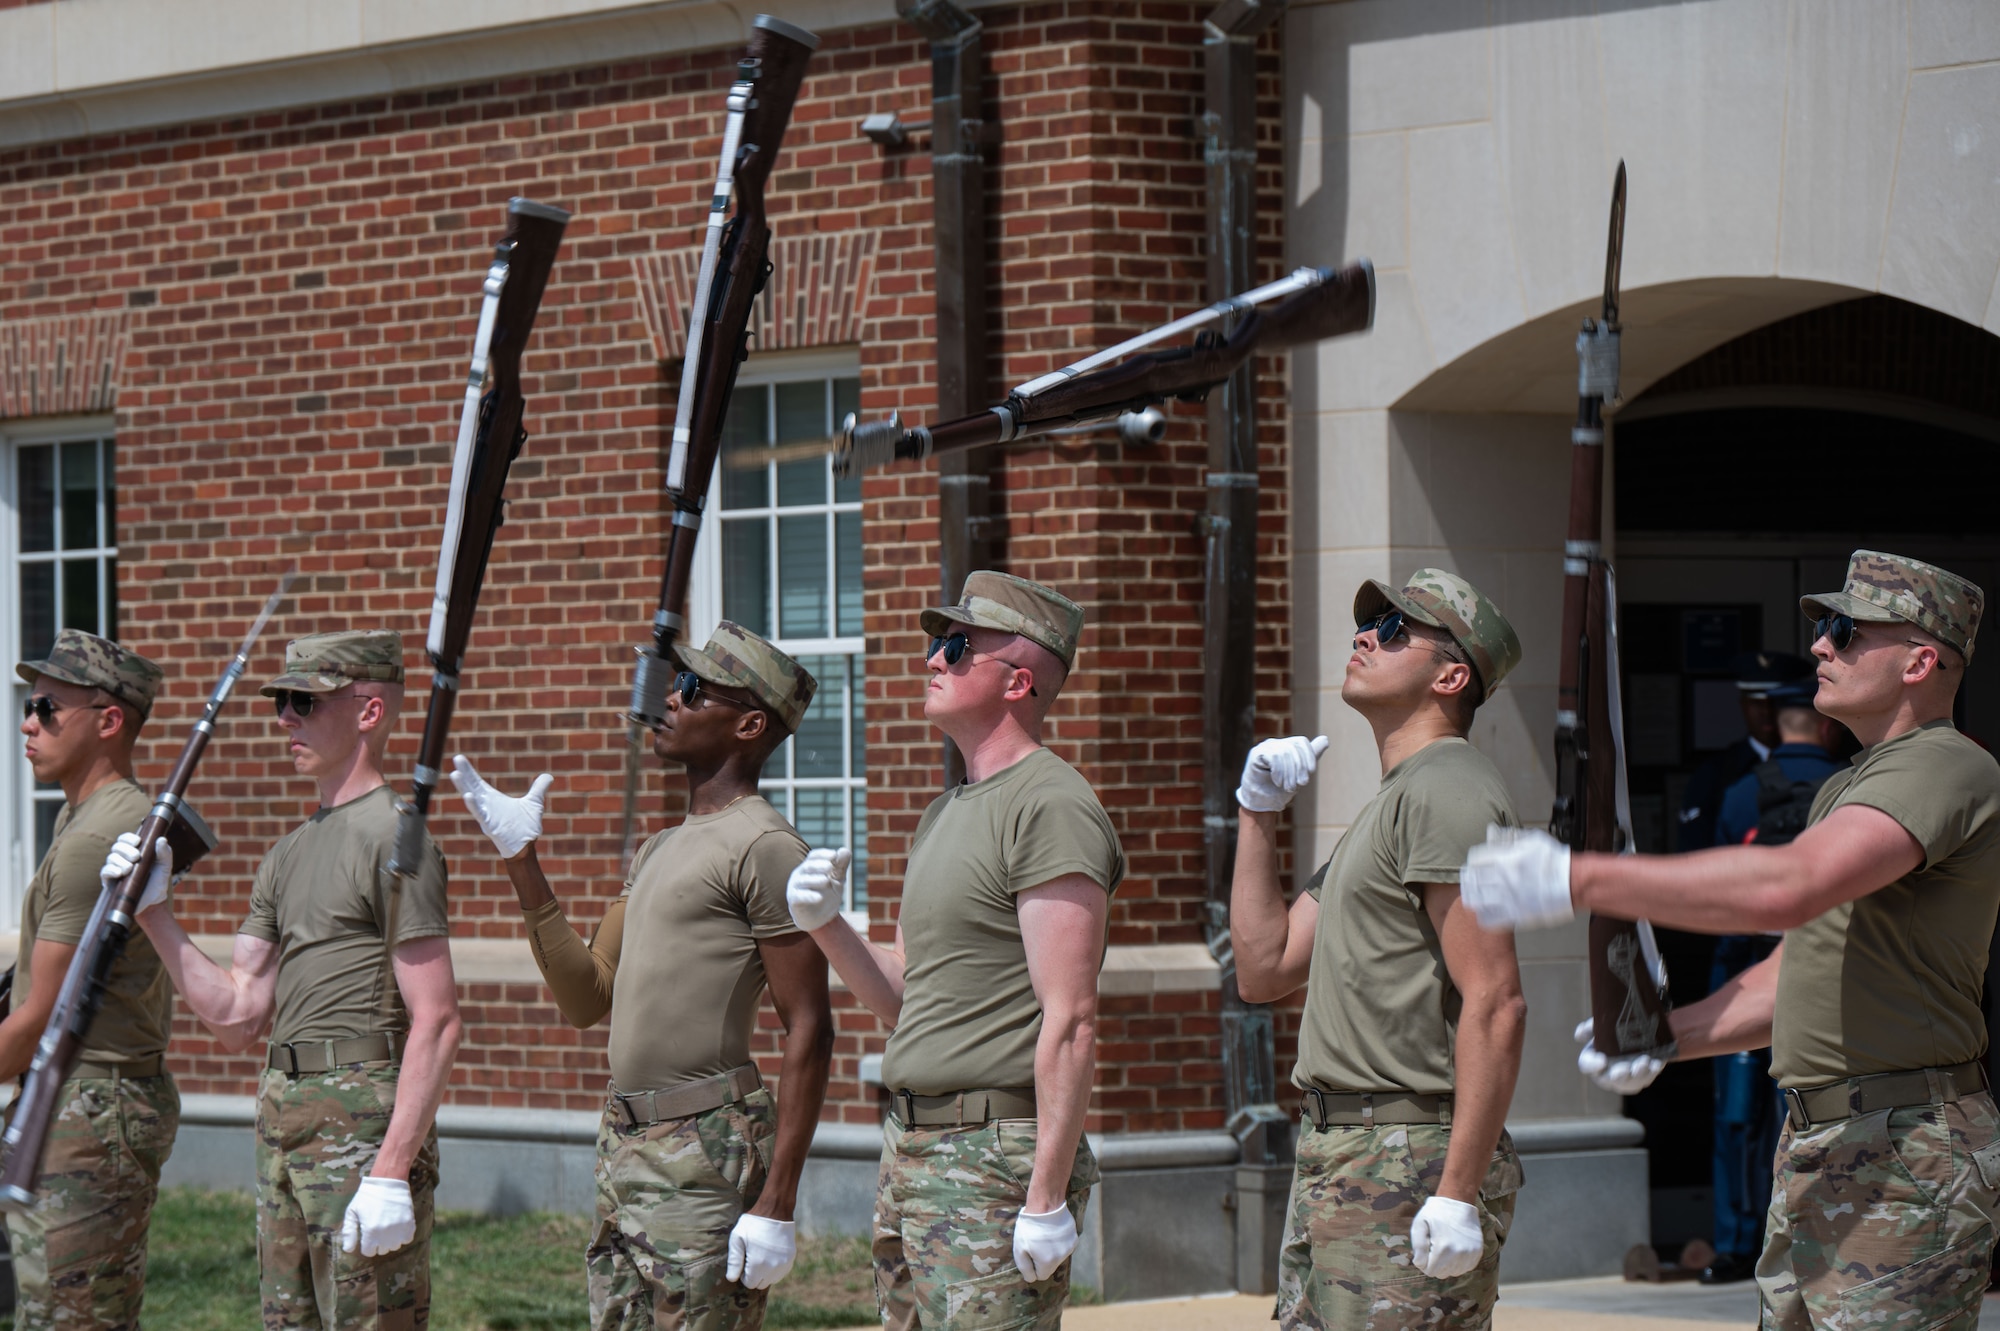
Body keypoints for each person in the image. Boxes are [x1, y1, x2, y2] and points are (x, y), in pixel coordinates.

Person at [1463, 551, 1998, 1330]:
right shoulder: (1852, 783)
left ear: (1922, 660)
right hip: (1835, 1140)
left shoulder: (1942, 764)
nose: (1819, 646)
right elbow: (1795, 971)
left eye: (1846, 631)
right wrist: (1659, 1038)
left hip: (1904, 1149)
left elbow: (1789, 884)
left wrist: (1579, 878)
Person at [448, 622, 833, 1330]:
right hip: (624, 1143)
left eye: (690, 689)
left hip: (705, 1151)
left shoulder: (767, 845)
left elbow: (809, 1024)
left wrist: (778, 1199)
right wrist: (520, 858)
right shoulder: (659, 847)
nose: (670, 701)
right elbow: (586, 995)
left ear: (749, 723)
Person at [782, 571, 1124, 1331]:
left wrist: (1044, 1196)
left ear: (1019, 681)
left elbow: (1071, 1018)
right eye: (938, 642)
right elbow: (907, 998)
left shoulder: (1051, 803)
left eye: (958, 645)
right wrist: (827, 924)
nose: (933, 657)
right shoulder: (942, 812)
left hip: (991, 1158)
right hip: (913, 1149)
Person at [108, 630, 461, 1330]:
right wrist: (154, 914)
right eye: (282, 702)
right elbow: (239, 1014)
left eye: (303, 700)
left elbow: (439, 1018)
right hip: (282, 1117)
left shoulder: (397, 836)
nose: (284, 718)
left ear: (368, 711)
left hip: (361, 1121)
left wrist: (392, 1167)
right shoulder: (287, 851)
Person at [1229, 569, 1528, 1330]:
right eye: (1370, 624)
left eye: (1395, 630)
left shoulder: (1447, 788)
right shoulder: (1394, 802)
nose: (1365, 636)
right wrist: (1258, 812)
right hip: (1343, 1152)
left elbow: (1495, 999)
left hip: (1404, 1152)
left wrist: (1457, 1191)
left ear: (1451, 674)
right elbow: (1264, 967)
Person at [8, 629, 177, 1330]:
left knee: (70, 1320)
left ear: (109, 721)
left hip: (86, 1108)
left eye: (47, 706)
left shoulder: (93, 837)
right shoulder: (92, 818)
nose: (28, 721)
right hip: (91, 1099)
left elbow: (38, 1018)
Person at [1696, 674, 1846, 1286]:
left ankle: (1737, 1242)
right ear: (1824, 727)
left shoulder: (1738, 793)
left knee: (1737, 1119)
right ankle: (1816, 1231)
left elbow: (1713, 878)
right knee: (1812, 1106)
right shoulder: (1848, 789)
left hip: (1743, 966)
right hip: (1826, 974)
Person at [1675, 651, 1809, 852]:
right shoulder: (1714, 774)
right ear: (1743, 705)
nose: (1766, 711)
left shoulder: (1822, 765)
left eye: (1774, 702)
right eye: (1756, 703)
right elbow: (1694, 850)